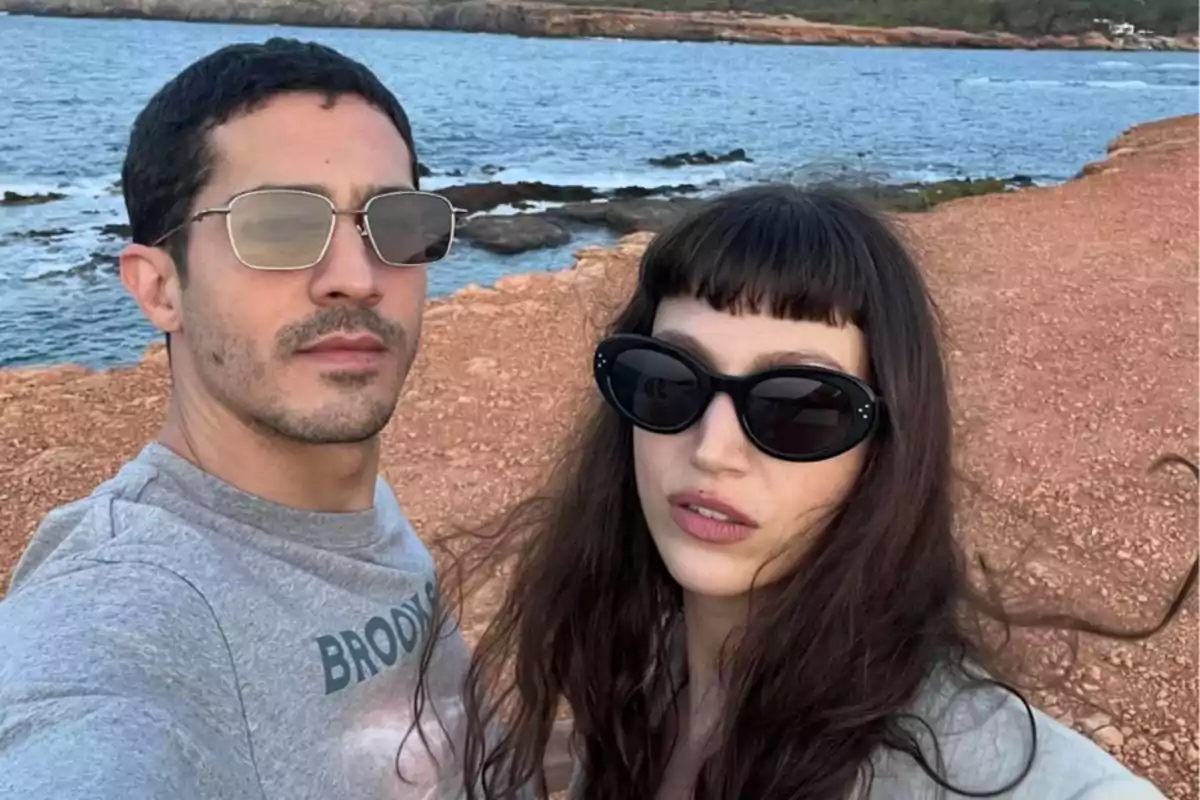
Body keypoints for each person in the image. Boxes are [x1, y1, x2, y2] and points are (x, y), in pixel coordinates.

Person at [445, 185, 1197, 799]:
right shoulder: (632, 686)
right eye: (668, 383)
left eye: (798, 407)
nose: (712, 450)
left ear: (884, 450)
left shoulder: (1011, 781)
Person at [0, 38, 471, 798]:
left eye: (396, 223)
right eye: (278, 227)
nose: (356, 278)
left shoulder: (339, 506)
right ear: (158, 288)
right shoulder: (121, 611)